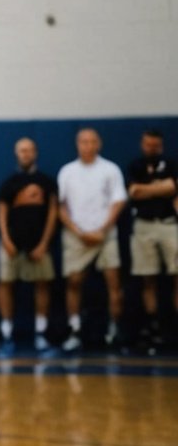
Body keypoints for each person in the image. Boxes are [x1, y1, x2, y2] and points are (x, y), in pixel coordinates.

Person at [57, 128, 127, 352]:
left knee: (113, 283)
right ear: (77, 144)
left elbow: (118, 201)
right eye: (83, 141)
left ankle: (114, 332)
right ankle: (75, 330)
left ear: (99, 144)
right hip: (76, 237)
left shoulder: (110, 169)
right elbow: (61, 206)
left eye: (92, 141)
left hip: (105, 236)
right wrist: (79, 232)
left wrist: (101, 230)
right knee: (74, 282)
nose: (88, 146)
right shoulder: (67, 171)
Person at [0, 137, 57, 353]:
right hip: (12, 243)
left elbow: (53, 213)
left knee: (42, 285)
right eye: (22, 150)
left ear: (35, 153)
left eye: (29, 150)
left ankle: (41, 332)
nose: (25, 154)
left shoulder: (46, 182)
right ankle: (7, 333)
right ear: (16, 153)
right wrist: (6, 239)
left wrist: (44, 243)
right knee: (5, 284)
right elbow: (1, 212)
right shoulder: (9, 183)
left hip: (39, 244)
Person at [125, 128, 176, 351]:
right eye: (148, 144)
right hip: (143, 226)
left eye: (155, 145)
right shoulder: (135, 166)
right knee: (148, 277)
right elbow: (133, 192)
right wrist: (161, 188)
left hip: (169, 224)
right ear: (142, 144)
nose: (152, 148)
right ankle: (153, 327)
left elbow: (173, 187)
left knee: (176, 275)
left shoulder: (171, 164)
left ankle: (174, 328)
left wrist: (147, 189)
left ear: (161, 145)